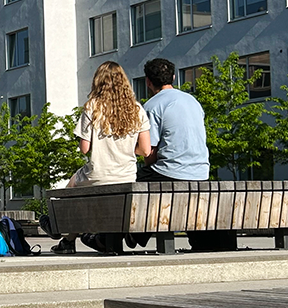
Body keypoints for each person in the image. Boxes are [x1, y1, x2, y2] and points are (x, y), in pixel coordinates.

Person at [45, 61, 151, 254]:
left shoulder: (92, 107)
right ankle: (66, 237)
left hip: (99, 175)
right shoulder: (137, 109)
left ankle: (62, 231)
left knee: (72, 188)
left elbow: (84, 149)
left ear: (98, 82)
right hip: (126, 176)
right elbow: (145, 150)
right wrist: (125, 148)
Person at [137, 58, 231, 252]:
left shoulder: (152, 106)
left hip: (170, 172)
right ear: (173, 77)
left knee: (133, 183)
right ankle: (201, 242)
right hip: (200, 172)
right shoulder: (193, 101)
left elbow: (150, 152)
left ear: (148, 81)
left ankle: (130, 235)